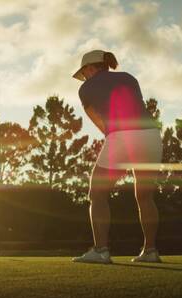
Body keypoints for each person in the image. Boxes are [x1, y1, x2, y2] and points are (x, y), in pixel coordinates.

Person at [70, 50, 163, 264]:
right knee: (145, 196)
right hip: (151, 135)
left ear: (90, 68)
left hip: (122, 136)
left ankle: (101, 250)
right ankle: (150, 251)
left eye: (83, 73)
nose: (83, 78)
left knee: (97, 193)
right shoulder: (129, 77)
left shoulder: (85, 89)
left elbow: (100, 123)